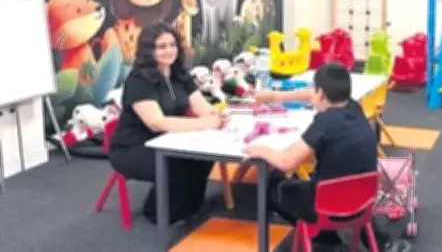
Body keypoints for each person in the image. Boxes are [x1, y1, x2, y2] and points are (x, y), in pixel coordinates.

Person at [246, 62, 410, 251]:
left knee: (272, 185)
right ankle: (381, 243)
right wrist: (275, 97)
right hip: (363, 201)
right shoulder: (354, 107)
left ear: (321, 94)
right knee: (347, 181)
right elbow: (310, 94)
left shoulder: (324, 123)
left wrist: (261, 150)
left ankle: (324, 237)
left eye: (315, 91)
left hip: (326, 206)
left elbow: (286, 162)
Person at [109, 23, 228, 225]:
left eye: (172, 45)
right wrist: (205, 123)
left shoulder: (179, 74)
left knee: (204, 156)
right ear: (149, 50)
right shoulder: (138, 80)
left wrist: (217, 114)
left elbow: (200, 106)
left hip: (168, 139)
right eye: (161, 46)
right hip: (133, 148)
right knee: (177, 162)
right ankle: (156, 212)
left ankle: (191, 207)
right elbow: (157, 123)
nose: (169, 51)